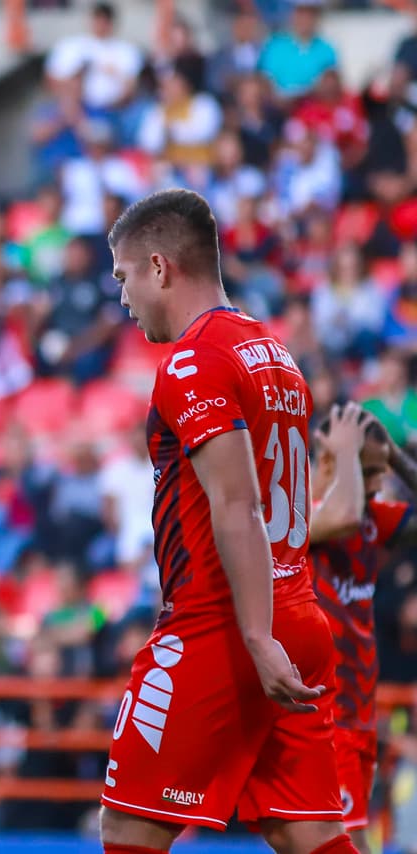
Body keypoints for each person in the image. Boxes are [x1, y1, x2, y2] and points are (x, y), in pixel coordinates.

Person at [100, 188, 355, 854]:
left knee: (128, 825)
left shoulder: (191, 362)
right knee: (307, 832)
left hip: (224, 625)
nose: (122, 297)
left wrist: (253, 633)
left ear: (159, 268)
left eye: (124, 276)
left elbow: (237, 502)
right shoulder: (273, 353)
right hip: (298, 613)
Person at [309, 402, 417, 853]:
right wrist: (352, 454)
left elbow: (359, 511)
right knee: (343, 840)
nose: (378, 485)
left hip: (357, 713)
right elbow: (344, 515)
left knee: (343, 840)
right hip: (321, 716)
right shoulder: (301, 516)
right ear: (331, 459)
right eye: (370, 473)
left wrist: (393, 454)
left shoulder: (372, 518)